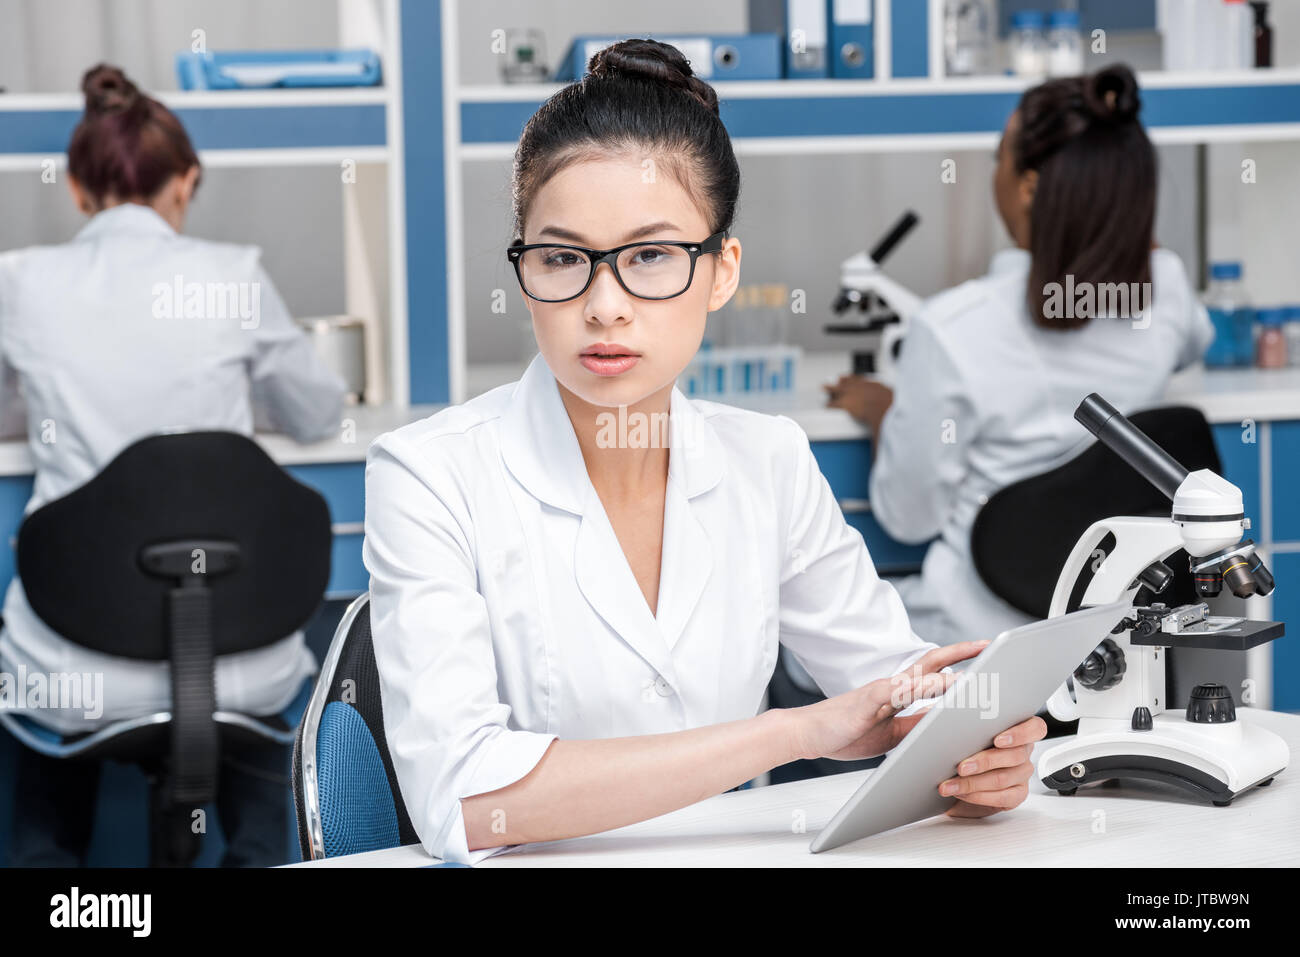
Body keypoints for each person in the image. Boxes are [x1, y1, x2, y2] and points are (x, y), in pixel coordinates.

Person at [363, 38, 1046, 866]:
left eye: (650, 256)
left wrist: (971, 745)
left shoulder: (768, 459)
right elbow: (467, 799)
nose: (604, 305)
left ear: (721, 271)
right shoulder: (430, 475)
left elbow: (892, 686)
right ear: (524, 270)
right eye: (563, 258)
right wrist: (791, 732)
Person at [0, 64, 346, 866]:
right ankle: (258, 852)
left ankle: (49, 870)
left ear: (78, 193)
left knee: (50, 697)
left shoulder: (23, 282)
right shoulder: (232, 277)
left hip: (76, 661)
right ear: (185, 184)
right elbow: (321, 411)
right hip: (240, 652)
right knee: (254, 706)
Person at [825, 64, 1213, 648]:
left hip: (979, 647)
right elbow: (1191, 345)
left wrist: (886, 412)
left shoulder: (953, 328)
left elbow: (909, 517)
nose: (994, 172)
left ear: (1028, 185)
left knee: (792, 657)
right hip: (1115, 646)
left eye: (999, 155)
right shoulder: (1165, 286)